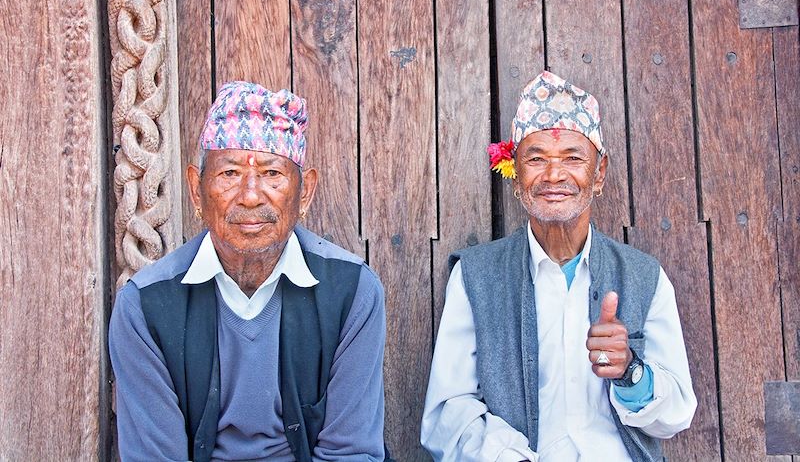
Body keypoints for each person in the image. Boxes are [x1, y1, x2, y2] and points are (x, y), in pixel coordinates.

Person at [420, 71, 696, 461]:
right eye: (536, 159)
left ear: (598, 174)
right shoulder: (476, 276)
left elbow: (677, 413)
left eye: (572, 158)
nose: (554, 175)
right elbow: (448, 412)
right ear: (515, 176)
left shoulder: (644, 277)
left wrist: (630, 372)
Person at [109, 81, 386, 462]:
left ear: (304, 193)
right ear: (196, 189)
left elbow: (350, 452)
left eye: (273, 173)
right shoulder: (145, 306)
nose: (251, 195)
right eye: (229, 174)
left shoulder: (353, 292)